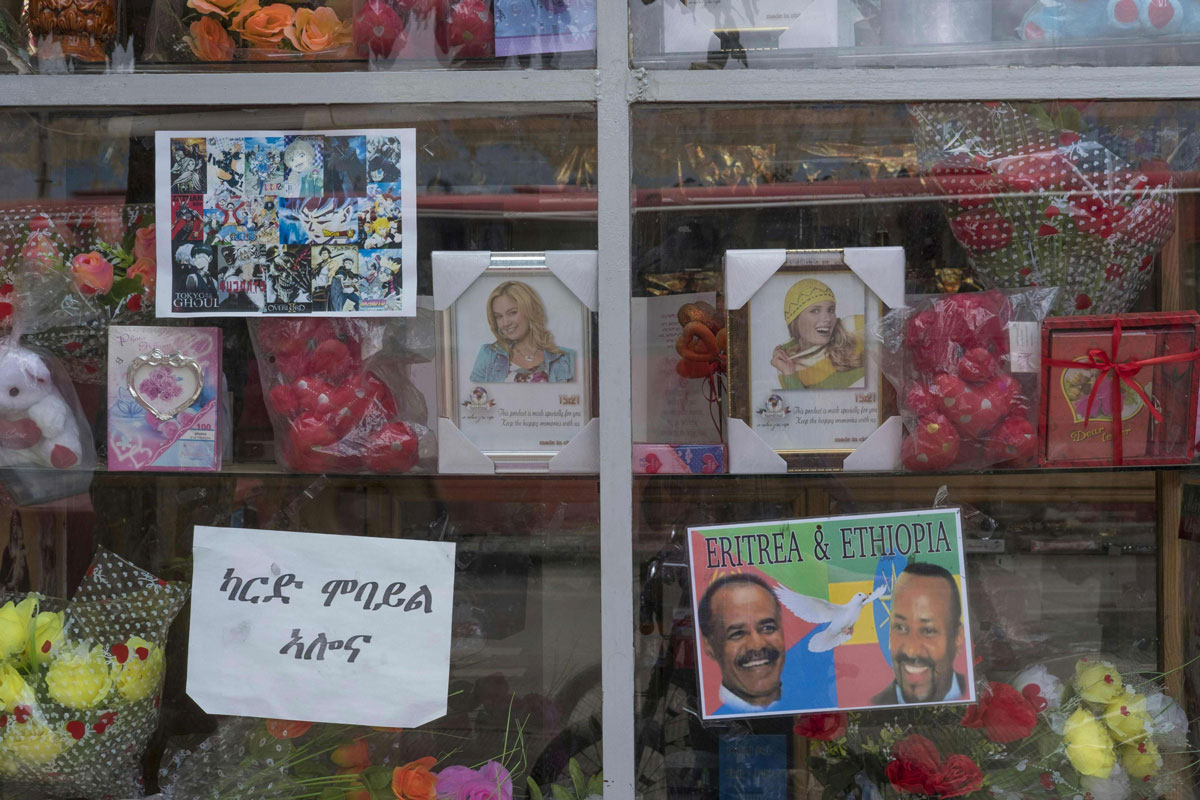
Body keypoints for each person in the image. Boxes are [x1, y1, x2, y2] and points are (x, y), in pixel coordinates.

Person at [699, 573, 837, 716]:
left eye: (767, 628)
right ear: (709, 646)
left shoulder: (812, 698)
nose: (757, 645)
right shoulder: (716, 715)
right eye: (737, 633)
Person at [871, 562, 967, 706]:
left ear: (957, 638)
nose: (911, 651)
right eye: (901, 627)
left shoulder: (978, 692)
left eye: (928, 630)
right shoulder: (873, 708)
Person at [470, 281, 575, 384]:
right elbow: (475, 398)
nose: (505, 323)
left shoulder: (566, 358)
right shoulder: (488, 355)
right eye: (499, 316)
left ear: (530, 310)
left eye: (512, 313)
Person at [771, 278, 865, 390]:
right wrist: (789, 373)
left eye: (830, 310)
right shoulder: (786, 363)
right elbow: (803, 406)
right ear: (795, 320)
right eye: (815, 311)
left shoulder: (852, 327)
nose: (828, 319)